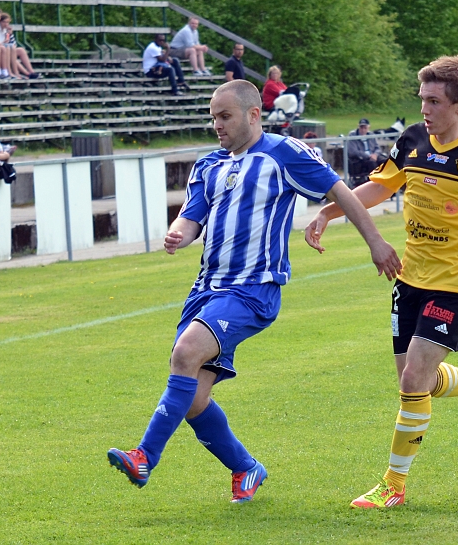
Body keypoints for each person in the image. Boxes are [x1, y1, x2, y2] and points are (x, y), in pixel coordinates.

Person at [107, 79, 402, 502]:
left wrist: (374, 241)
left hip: (253, 289)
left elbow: (339, 191)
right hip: (206, 289)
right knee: (192, 398)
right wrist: (177, 233)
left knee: (185, 353)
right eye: (213, 117)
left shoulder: (283, 154)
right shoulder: (208, 164)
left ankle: (144, 457)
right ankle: (246, 468)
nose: (217, 125)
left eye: (225, 117)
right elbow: (192, 218)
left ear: (253, 114)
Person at [305, 55, 458, 509]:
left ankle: (393, 485)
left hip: (457, 283)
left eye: (434, 102)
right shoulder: (412, 140)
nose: (425, 111)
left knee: (415, 377)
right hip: (409, 277)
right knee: (417, 382)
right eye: (422, 101)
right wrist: (329, 213)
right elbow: (378, 188)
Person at [0, 12, 41, 80]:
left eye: (8, 22)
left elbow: (13, 43)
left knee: (21, 50)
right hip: (1, 51)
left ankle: (31, 72)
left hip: (8, 50)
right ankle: (23, 73)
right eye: (4, 22)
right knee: (11, 54)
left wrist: (10, 35)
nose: (6, 24)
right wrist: (5, 41)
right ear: (0, 22)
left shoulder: (6, 30)